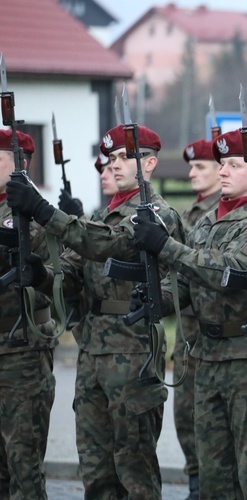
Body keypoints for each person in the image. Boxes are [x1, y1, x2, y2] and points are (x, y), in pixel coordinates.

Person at [6, 124, 185, 498]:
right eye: (112, 158)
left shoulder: (156, 216)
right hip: (93, 353)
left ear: (149, 164)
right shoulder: (104, 214)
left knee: (134, 470)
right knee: (97, 471)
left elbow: (106, 244)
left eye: (126, 158)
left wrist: (42, 210)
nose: (116, 165)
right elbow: (71, 274)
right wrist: (41, 274)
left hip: (133, 353)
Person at [131, 129, 247, 498]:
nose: (223, 171)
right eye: (222, 164)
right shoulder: (206, 222)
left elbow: (230, 272)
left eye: (234, 165)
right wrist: (159, 298)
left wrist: (167, 247)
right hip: (207, 358)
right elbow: (191, 282)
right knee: (214, 478)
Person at [0, 130, 58, 499]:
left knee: (22, 465)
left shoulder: (33, 214)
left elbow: (61, 279)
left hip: (21, 350)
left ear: (19, 164)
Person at [173, 138, 222, 500]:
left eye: (200, 166)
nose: (192, 173)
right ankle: (195, 484)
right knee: (186, 415)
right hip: (187, 331)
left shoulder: (222, 219)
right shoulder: (194, 216)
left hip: (212, 330)